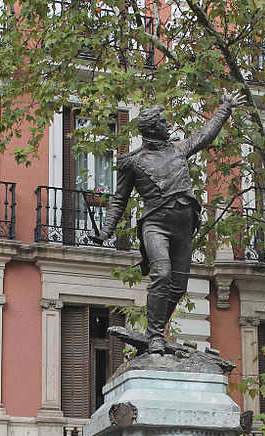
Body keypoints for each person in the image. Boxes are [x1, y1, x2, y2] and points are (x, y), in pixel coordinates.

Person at [90, 94, 242, 354]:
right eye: (163, 121)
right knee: (161, 274)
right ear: (152, 128)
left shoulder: (179, 149)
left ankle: (153, 332)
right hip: (156, 225)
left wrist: (225, 108)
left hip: (184, 226)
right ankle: (156, 336)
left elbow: (206, 135)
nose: (168, 123)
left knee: (179, 286)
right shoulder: (133, 162)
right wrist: (106, 230)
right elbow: (119, 199)